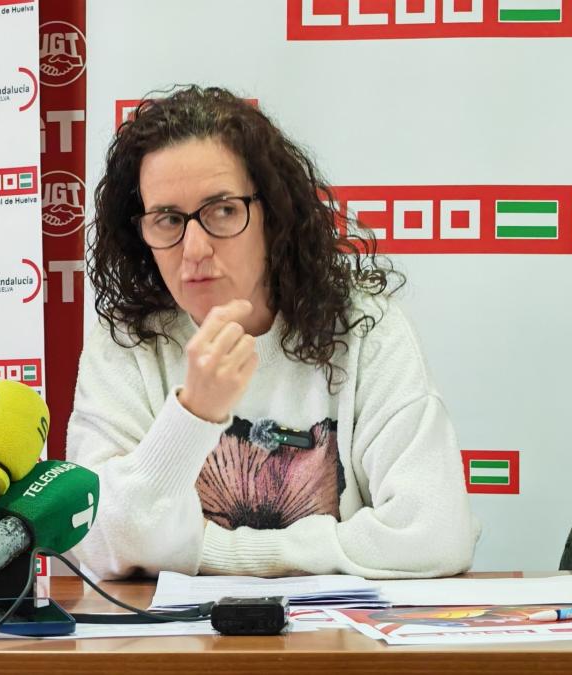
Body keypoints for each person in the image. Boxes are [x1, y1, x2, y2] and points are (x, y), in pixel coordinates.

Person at [68, 86, 479, 580]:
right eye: (168, 219)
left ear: (273, 215)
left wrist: (211, 552)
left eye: (223, 210)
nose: (194, 249)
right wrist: (194, 413)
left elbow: (436, 533)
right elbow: (95, 539)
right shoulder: (126, 341)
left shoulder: (366, 330)